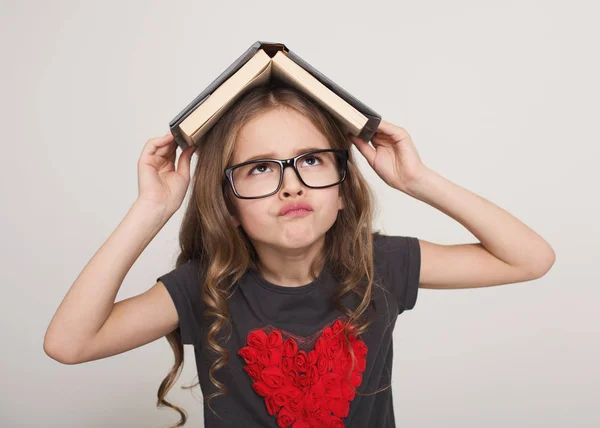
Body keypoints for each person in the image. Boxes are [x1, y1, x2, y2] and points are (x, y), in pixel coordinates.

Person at [43, 82, 555, 428]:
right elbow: (69, 343)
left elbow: (529, 259)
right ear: (226, 199)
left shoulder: (382, 264)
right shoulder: (204, 288)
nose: (291, 186)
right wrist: (151, 207)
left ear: (343, 185)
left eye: (311, 160)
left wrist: (417, 180)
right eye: (261, 169)